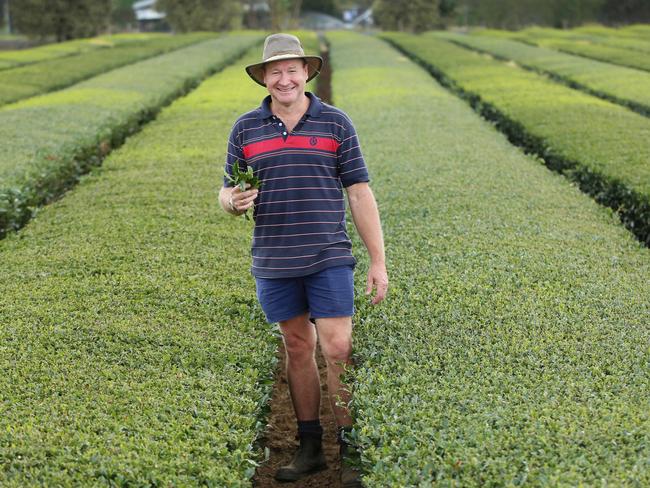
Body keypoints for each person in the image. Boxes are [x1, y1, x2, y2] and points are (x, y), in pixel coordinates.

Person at [219, 33, 388, 486]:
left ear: (306, 72)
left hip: (328, 253)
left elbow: (359, 192)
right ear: (264, 78)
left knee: (337, 348)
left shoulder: (335, 123)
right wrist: (231, 202)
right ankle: (310, 446)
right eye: (274, 71)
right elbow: (226, 189)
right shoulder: (245, 128)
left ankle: (351, 449)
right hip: (274, 259)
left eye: (291, 69)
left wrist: (378, 262)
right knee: (297, 346)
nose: (284, 78)